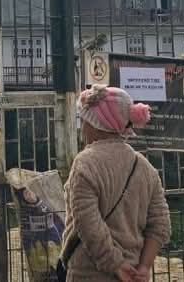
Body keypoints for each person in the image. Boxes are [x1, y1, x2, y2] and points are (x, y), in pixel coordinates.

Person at [57, 85, 170, 282]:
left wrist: (116, 265)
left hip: (88, 274)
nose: (83, 129)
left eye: (85, 121)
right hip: (134, 274)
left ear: (95, 125)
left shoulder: (85, 163)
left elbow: (88, 225)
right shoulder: (145, 167)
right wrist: (144, 267)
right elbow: (161, 224)